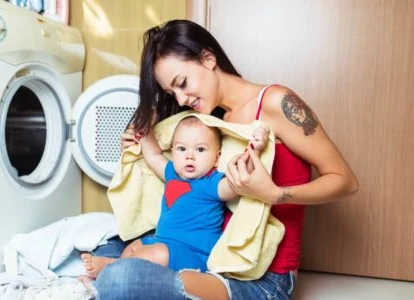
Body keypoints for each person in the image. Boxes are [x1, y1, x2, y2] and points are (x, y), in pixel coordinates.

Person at [90, 19, 359, 299]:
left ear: (208, 58)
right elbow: (174, 182)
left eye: (182, 83)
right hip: (207, 255)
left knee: (120, 279)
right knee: (107, 243)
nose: (181, 99)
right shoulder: (209, 121)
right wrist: (135, 148)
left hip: (261, 277)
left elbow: (345, 181)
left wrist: (275, 194)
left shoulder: (276, 102)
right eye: (172, 93)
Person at [81, 116, 268, 279]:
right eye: (181, 149)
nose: (189, 156)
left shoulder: (212, 183)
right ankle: (111, 275)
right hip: (161, 241)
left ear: (217, 158)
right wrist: (145, 134)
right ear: (173, 151)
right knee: (133, 247)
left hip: (193, 254)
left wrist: (255, 150)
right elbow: (153, 155)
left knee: (156, 254)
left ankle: (109, 266)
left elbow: (238, 182)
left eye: (200, 150)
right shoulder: (172, 173)